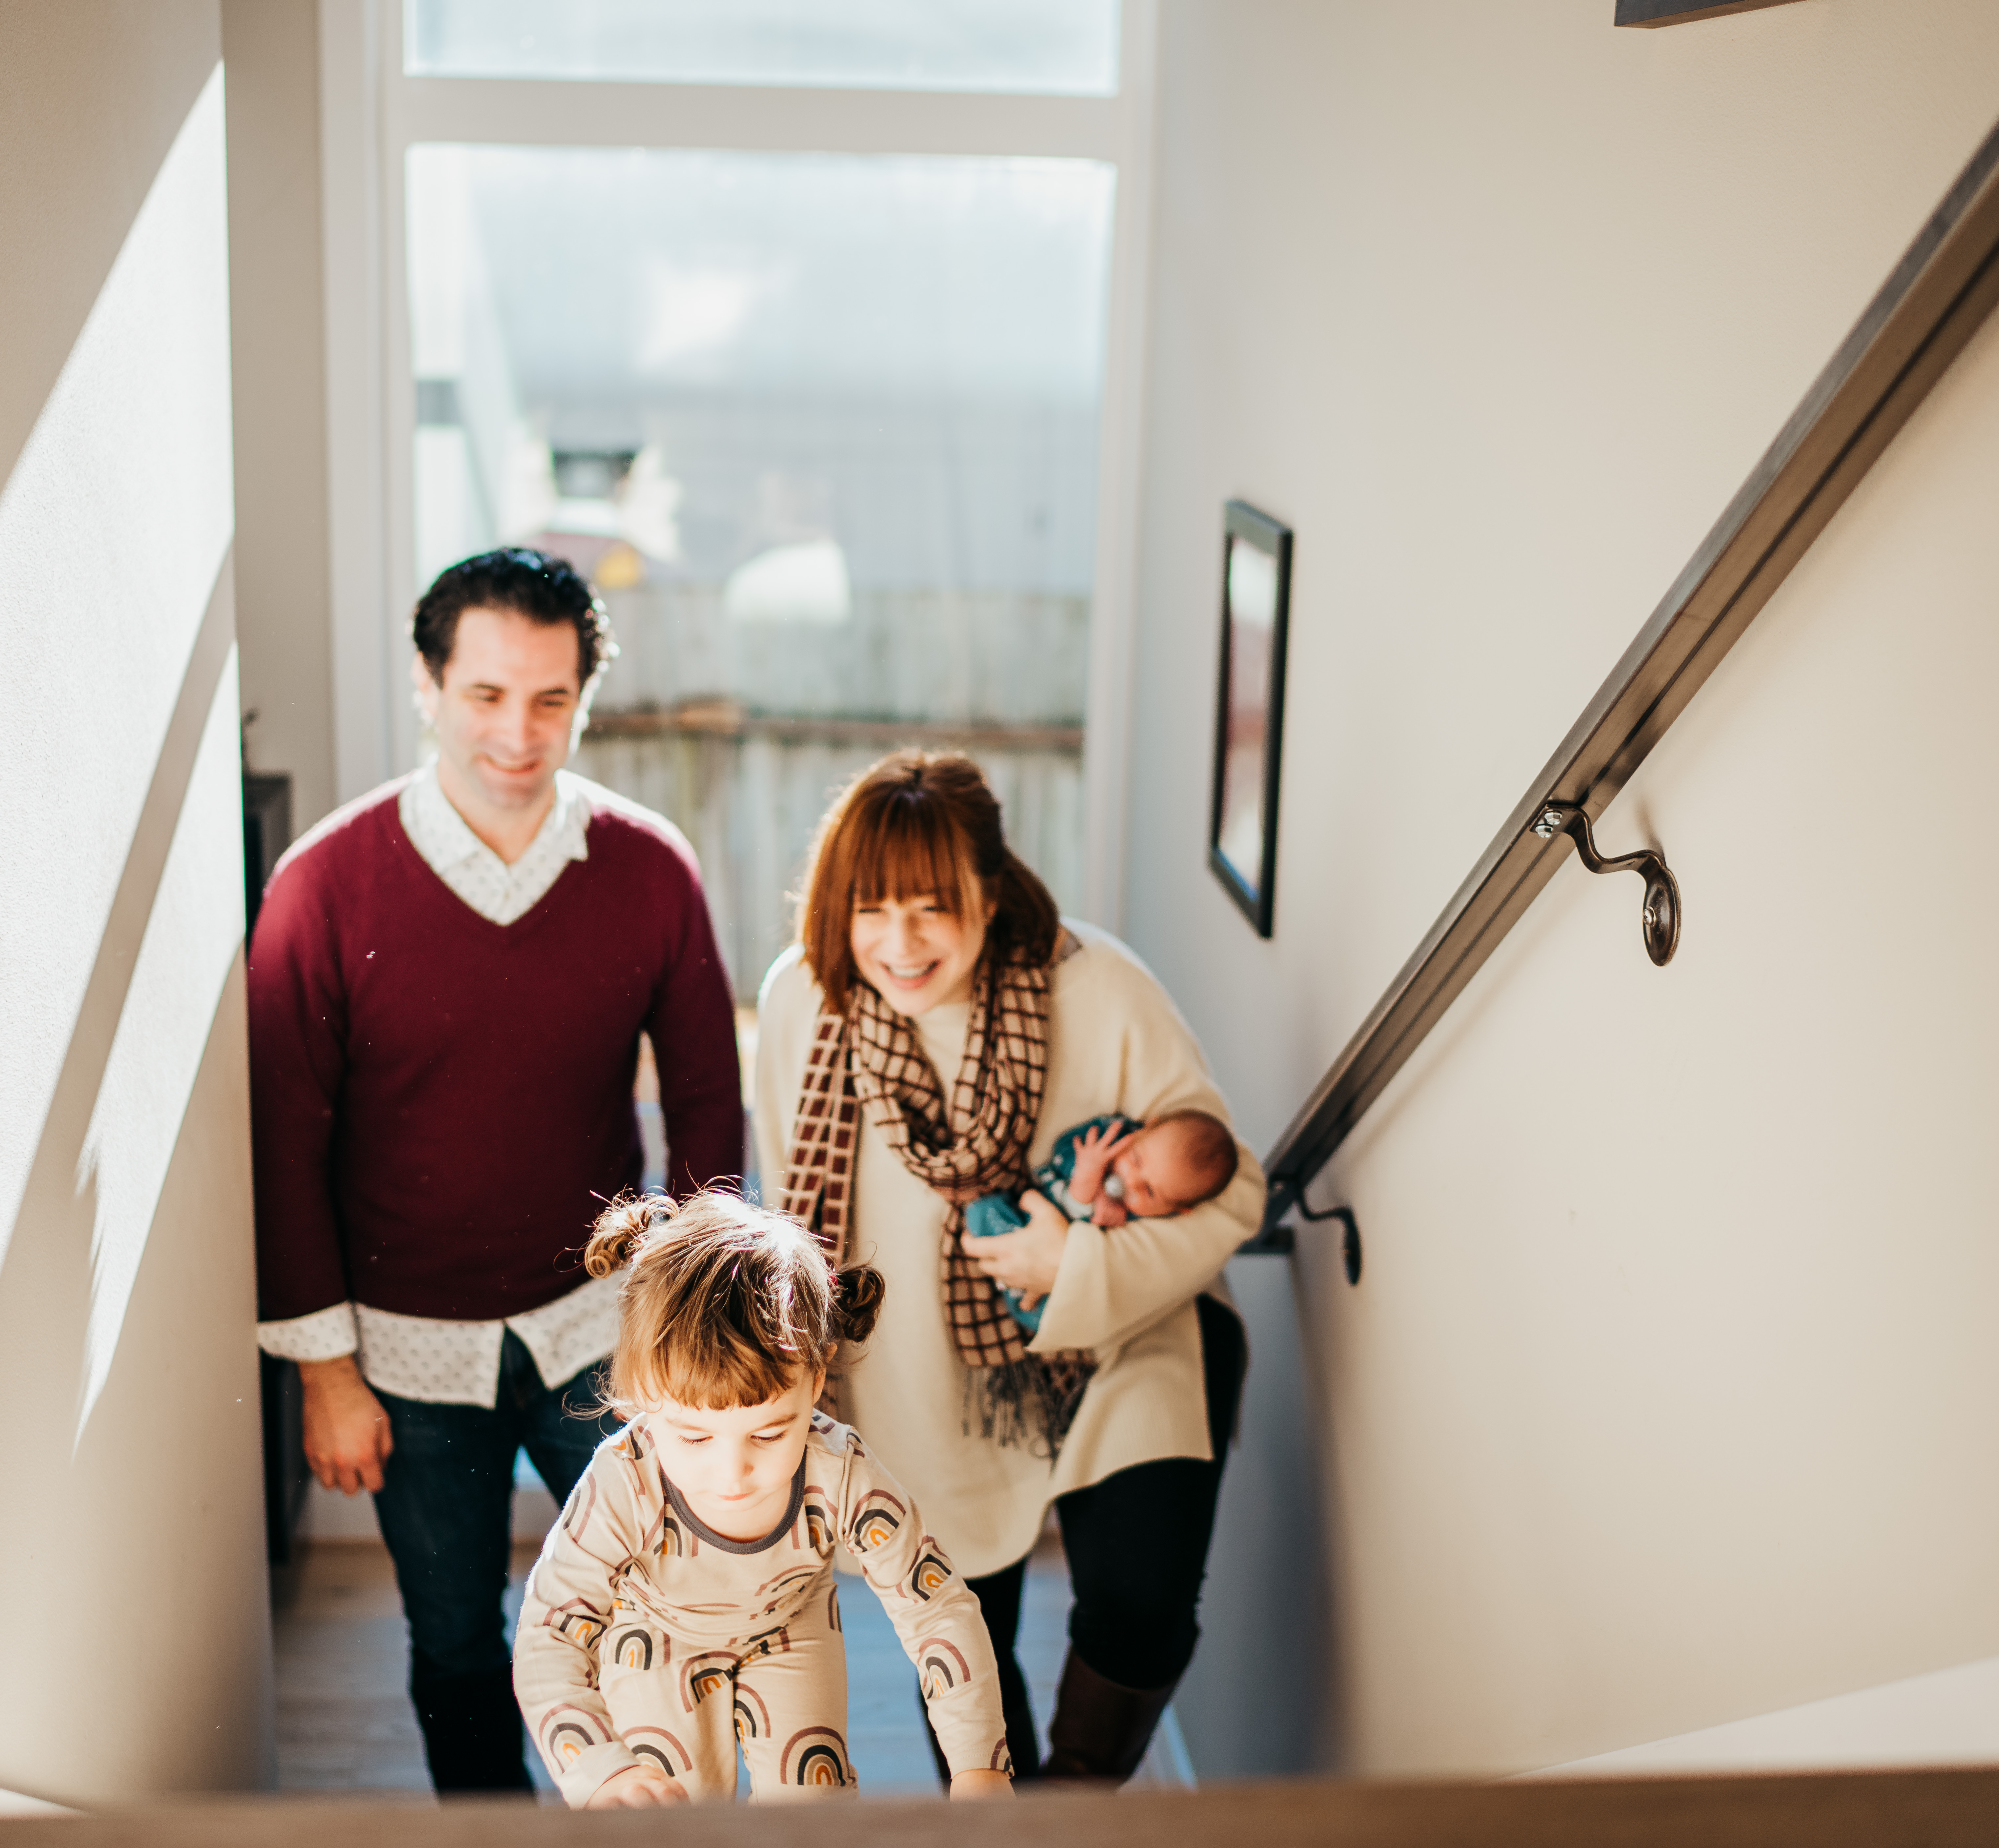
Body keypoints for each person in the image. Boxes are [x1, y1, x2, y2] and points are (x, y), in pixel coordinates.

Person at [251, 547, 746, 1793]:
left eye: (548, 698)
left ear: (585, 694)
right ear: (426, 686)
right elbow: (282, 1138)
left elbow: (703, 1113)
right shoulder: (321, 885)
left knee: (669, 1619)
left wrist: (692, 1338)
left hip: (608, 1337)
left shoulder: (649, 869)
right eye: (483, 695)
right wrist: (324, 1376)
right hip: (404, 1353)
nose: (517, 733)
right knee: (458, 1644)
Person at [755, 751, 1262, 1785]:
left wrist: (1073, 1260)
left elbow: (1236, 1190)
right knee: (960, 1643)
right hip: (913, 1376)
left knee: (1141, 1607)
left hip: (1121, 1344)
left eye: (934, 908)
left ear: (989, 891)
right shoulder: (803, 1002)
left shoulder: (1099, 986)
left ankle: (1071, 1802)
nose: (900, 944)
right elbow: (790, 1218)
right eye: (873, 908)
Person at [512, 1191, 1017, 1805]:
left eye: (770, 1431)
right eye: (694, 1436)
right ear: (639, 1396)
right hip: (655, 1637)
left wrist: (976, 1766)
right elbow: (549, 1636)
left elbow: (936, 1609)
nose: (734, 1471)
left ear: (818, 1374)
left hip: (791, 1627)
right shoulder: (623, 1482)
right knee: (672, 1807)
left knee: (813, 1812)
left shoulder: (841, 1471)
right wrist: (599, 1766)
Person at [965, 1112, 1241, 1334]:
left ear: (1179, 1210)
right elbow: (1064, 1148)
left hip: (1055, 1280)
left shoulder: (1146, 1224)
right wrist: (1089, 1181)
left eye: (1150, 1192)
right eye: (1136, 1159)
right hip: (1026, 1214)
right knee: (983, 1210)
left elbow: (1109, 1261)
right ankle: (997, 1262)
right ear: (1147, 1127)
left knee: (1053, 1319)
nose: (1130, 1181)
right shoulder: (1111, 1135)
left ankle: (1016, 1294)